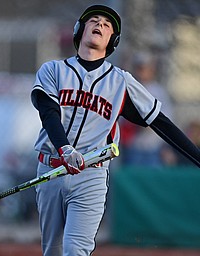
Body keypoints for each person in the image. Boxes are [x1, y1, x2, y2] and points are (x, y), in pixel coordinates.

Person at [30, 4, 200, 256]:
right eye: (94, 21)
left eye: (107, 25)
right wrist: (65, 149)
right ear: (80, 29)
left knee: (75, 250)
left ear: (112, 40)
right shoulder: (53, 70)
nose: (99, 25)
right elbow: (49, 114)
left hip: (91, 175)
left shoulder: (120, 81)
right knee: (52, 251)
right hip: (51, 168)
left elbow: (160, 123)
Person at [120, 52, 176, 167]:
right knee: (132, 179)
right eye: (140, 68)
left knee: (152, 179)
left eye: (145, 68)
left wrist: (151, 123)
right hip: (133, 146)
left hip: (153, 147)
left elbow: (167, 119)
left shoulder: (158, 91)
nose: (142, 71)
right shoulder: (130, 87)